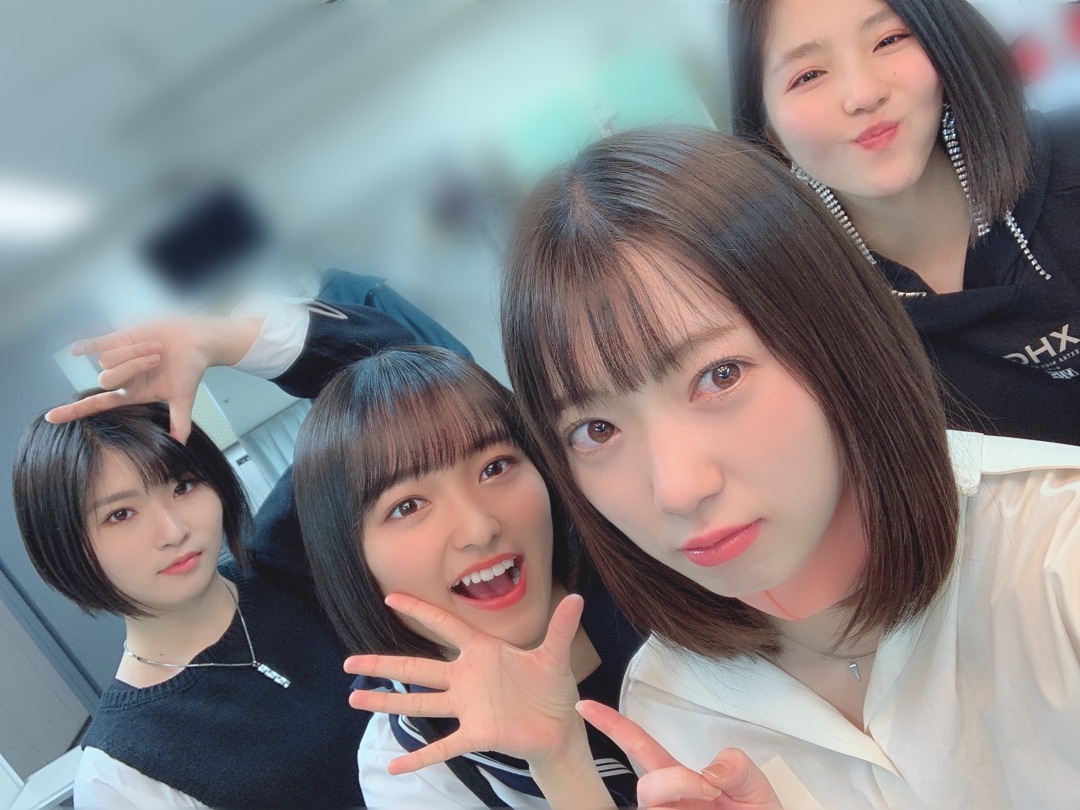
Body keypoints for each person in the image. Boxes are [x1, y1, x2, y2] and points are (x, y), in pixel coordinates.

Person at [500, 125, 1080, 808]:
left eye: (719, 376)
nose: (678, 490)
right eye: (596, 430)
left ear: (836, 336)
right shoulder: (668, 704)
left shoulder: (1055, 554)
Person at [18, 300, 418, 807]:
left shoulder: (296, 546)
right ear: (64, 545)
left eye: (183, 486)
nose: (172, 530)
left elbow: (403, 380)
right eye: (120, 514)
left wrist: (219, 340)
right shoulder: (122, 774)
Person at [728, 0, 1080, 446]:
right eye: (809, 75)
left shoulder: (1069, 158)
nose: (863, 95)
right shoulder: (792, 323)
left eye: (888, 40)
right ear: (769, 132)